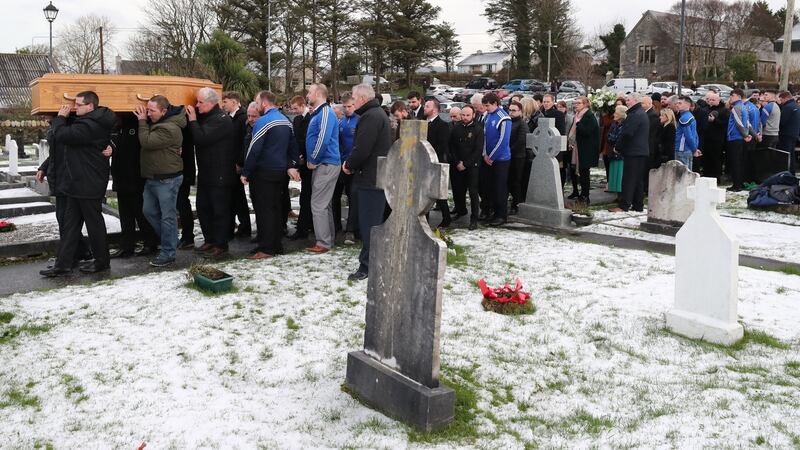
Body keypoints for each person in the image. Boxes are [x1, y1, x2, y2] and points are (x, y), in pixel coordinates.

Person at [40, 91, 115, 277]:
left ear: (90, 106)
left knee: (94, 224)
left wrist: (60, 118)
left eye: (79, 105)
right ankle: (63, 264)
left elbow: (64, 135)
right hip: (77, 182)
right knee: (70, 225)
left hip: (89, 183)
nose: (75, 107)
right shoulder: (87, 121)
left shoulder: (91, 125)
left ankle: (102, 262)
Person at [241, 91, 301, 259]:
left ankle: (266, 248)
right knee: (275, 209)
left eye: (257, 102)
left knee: (264, 211)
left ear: (264, 103)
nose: (256, 105)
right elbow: (293, 146)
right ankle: (275, 244)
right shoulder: (285, 120)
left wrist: (246, 171)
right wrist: (291, 165)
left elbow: (254, 150)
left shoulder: (263, 122)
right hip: (279, 172)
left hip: (263, 172)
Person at [343, 83, 392, 281]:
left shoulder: (371, 116)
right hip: (374, 177)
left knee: (369, 226)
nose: (352, 102)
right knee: (371, 224)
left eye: (354, 99)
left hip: (371, 179)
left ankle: (368, 267)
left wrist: (349, 164)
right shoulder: (375, 114)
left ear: (362, 98)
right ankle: (372, 262)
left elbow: (362, 148)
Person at [134, 94, 186, 267]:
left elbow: (147, 142)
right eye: (147, 110)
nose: (148, 113)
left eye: (151, 111)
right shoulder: (159, 123)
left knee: (168, 217)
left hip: (167, 179)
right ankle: (171, 239)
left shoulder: (169, 128)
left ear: (164, 111)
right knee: (148, 211)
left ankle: (168, 252)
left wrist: (141, 121)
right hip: (153, 177)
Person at [187, 87, 236, 258]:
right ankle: (210, 239)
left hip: (220, 173)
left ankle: (221, 244)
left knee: (219, 210)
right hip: (207, 172)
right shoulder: (208, 116)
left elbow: (201, 139)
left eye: (200, 102)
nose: (197, 105)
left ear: (211, 103)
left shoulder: (222, 120)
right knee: (203, 207)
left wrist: (193, 120)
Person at [108, 113, 158, 259]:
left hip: (135, 178)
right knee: (125, 215)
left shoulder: (136, 125)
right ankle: (127, 246)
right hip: (121, 177)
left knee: (140, 213)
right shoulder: (117, 127)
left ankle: (150, 242)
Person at [304, 83, 341, 253]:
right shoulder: (321, 112)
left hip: (325, 163)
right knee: (324, 205)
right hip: (325, 163)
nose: (307, 95)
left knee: (318, 204)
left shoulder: (325, 112)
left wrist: (313, 159)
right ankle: (328, 239)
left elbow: (323, 139)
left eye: (310, 92)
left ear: (318, 93)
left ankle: (323, 242)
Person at [609, 93, 649, 212]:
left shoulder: (635, 114)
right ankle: (638, 205)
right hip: (640, 151)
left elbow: (627, 133)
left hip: (634, 151)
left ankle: (624, 205)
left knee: (629, 179)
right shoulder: (640, 112)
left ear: (635, 100)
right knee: (637, 180)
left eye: (628, 100)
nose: (627, 102)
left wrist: (618, 147)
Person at [222, 91, 252, 238]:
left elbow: (243, 143)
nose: (223, 104)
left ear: (234, 102)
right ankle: (237, 225)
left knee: (239, 198)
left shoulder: (242, 118)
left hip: (237, 164)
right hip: (229, 163)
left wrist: (240, 163)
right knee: (233, 197)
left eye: (226, 101)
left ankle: (245, 226)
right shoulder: (229, 117)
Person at [450, 105, 483, 230]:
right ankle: (460, 211)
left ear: (473, 115)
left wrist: (466, 163)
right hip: (458, 164)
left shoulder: (478, 129)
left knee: (473, 192)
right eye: (463, 115)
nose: (465, 117)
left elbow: (478, 149)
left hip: (472, 165)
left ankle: (474, 218)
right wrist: (457, 162)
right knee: (458, 190)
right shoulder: (456, 128)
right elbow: (452, 146)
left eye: (468, 115)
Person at [481, 92, 511, 226]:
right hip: (487, 158)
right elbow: (485, 137)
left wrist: (491, 156)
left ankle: (501, 215)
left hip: (501, 160)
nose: (486, 108)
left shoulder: (503, 118)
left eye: (487, 105)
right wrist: (484, 154)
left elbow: (503, 141)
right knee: (489, 187)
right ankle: (491, 212)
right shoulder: (488, 115)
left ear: (495, 104)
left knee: (500, 188)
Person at [333, 92, 359, 244]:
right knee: (335, 196)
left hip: (353, 166)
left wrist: (353, 163)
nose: (347, 109)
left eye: (350, 106)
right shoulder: (341, 122)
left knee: (352, 197)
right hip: (340, 164)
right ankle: (336, 227)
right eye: (345, 107)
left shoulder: (359, 121)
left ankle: (351, 230)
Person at [424, 97, 452, 228]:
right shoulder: (423, 123)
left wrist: (429, 155)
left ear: (435, 109)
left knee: (438, 193)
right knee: (424, 192)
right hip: (423, 163)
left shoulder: (442, 125)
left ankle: (446, 218)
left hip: (436, 161)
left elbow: (442, 145)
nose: (425, 108)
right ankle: (425, 219)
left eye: (427, 106)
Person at [289, 95, 313, 240]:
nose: (294, 111)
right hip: (301, 160)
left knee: (307, 195)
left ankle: (305, 225)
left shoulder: (310, 118)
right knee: (305, 195)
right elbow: (296, 139)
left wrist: (304, 156)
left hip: (308, 161)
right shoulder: (297, 120)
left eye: (296, 108)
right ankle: (304, 223)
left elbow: (308, 140)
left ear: (302, 105)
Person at [570, 96, 600, 203]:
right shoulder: (577, 115)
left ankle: (585, 196)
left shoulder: (589, 116)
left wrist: (578, 123)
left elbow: (587, 131)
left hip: (586, 150)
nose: (575, 105)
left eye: (578, 103)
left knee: (584, 174)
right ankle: (581, 194)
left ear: (585, 104)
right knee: (579, 173)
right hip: (578, 148)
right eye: (575, 103)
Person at [726, 89, 751, 191]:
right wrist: (751, 134)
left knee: (735, 162)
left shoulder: (736, 107)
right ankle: (738, 184)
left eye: (732, 95)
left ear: (739, 96)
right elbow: (748, 123)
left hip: (735, 138)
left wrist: (745, 135)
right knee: (739, 162)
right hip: (739, 138)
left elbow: (738, 123)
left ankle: (736, 186)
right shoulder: (744, 107)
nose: (730, 97)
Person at [507, 100, 529, 214]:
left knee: (516, 181)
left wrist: (509, 150)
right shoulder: (508, 121)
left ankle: (517, 204)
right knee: (509, 181)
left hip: (518, 157)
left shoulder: (522, 123)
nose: (511, 112)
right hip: (508, 156)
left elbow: (521, 140)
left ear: (520, 111)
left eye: (514, 110)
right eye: (510, 110)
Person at [702, 92, 729, 180]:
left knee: (716, 159)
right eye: (709, 100)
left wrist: (715, 120)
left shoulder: (724, 110)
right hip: (706, 138)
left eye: (713, 100)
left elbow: (725, 124)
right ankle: (706, 175)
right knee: (706, 158)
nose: (711, 102)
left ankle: (716, 177)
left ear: (718, 100)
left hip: (717, 140)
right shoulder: (705, 109)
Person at [674, 96, 701, 171]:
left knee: (682, 174)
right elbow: (695, 135)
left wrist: (694, 149)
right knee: (688, 173)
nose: (677, 105)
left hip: (682, 150)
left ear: (687, 105)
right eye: (677, 103)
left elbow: (689, 136)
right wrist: (694, 148)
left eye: (680, 103)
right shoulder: (690, 116)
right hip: (688, 149)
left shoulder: (684, 118)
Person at [606, 105, 627, 197]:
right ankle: (617, 195)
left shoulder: (625, 124)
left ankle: (621, 195)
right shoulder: (614, 124)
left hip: (620, 153)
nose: (614, 114)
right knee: (614, 174)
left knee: (620, 175)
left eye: (616, 113)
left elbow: (621, 138)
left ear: (621, 115)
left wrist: (614, 140)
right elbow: (609, 137)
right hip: (613, 152)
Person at [778, 91, 800, 174]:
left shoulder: (787, 107)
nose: (781, 102)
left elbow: (782, 121)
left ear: (786, 98)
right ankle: (792, 173)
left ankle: (786, 174)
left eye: (781, 99)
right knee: (792, 155)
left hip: (786, 134)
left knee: (785, 155)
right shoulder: (796, 106)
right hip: (794, 134)